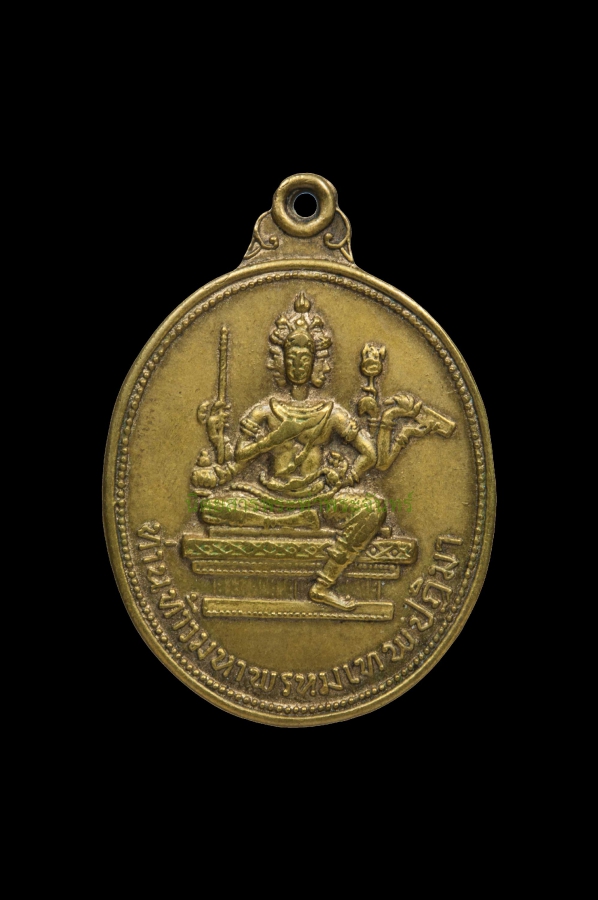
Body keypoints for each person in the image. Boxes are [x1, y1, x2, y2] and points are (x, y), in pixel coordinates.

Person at [191, 291, 386, 610]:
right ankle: (287, 522)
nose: (298, 364)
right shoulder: (264, 411)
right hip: (269, 497)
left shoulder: (331, 412)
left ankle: (323, 584)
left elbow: (370, 453)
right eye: (291, 357)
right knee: (210, 509)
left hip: (319, 498)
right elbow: (239, 462)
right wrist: (265, 439)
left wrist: (345, 478)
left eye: (304, 358)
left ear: (316, 363)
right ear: (280, 361)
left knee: (373, 508)